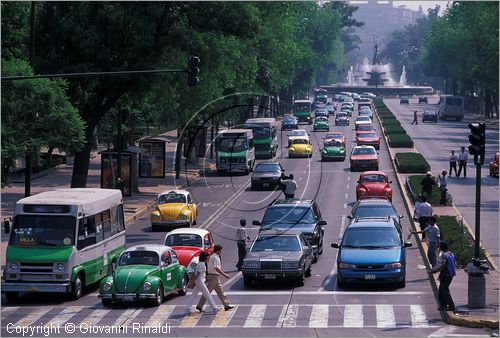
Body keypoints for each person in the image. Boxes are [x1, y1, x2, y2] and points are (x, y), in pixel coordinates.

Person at [197, 245, 234, 312]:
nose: (221, 252)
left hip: (214, 276)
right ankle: (199, 305)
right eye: (220, 250)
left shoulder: (212, 256)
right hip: (214, 276)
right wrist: (224, 275)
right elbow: (216, 267)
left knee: (220, 291)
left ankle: (226, 305)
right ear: (217, 250)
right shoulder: (215, 257)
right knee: (207, 292)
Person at [429, 241, 456, 312]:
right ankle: (443, 305)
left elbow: (443, 265)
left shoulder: (444, 255)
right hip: (449, 273)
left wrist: (434, 270)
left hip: (446, 274)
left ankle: (451, 306)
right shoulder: (450, 253)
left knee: (444, 289)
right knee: (441, 290)